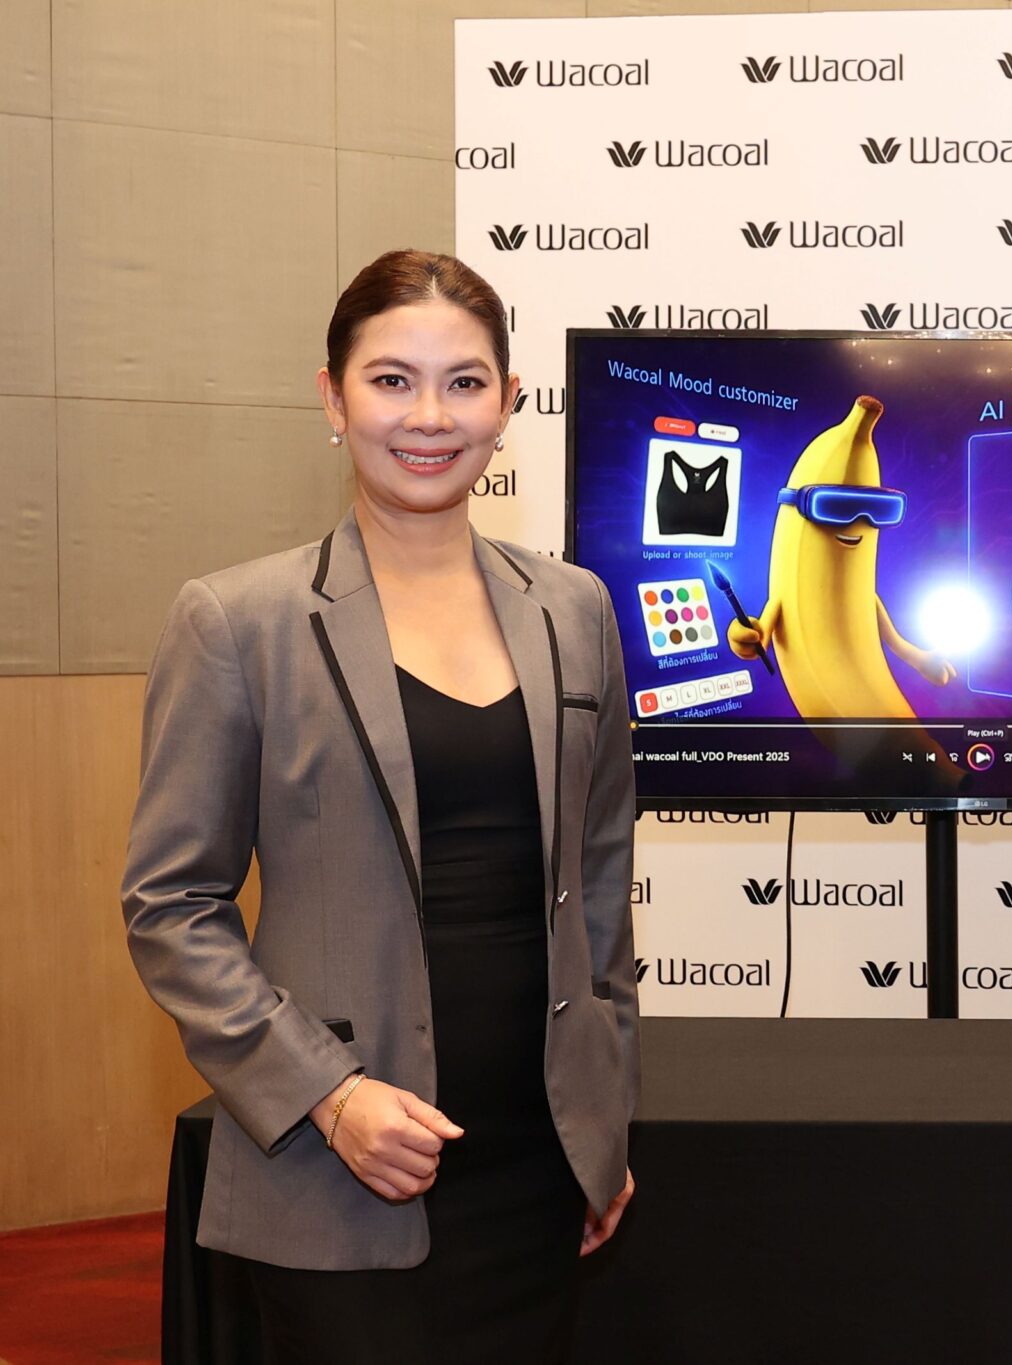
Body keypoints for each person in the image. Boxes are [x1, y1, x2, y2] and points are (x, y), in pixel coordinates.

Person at [121, 250, 638, 1362]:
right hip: (339, 1170)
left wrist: (603, 1116)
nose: (429, 417)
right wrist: (330, 1096)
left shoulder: (577, 609)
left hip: (540, 1168)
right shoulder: (238, 622)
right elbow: (171, 906)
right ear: (332, 398)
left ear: (508, 401)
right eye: (392, 380)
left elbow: (599, 881)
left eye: (464, 382)